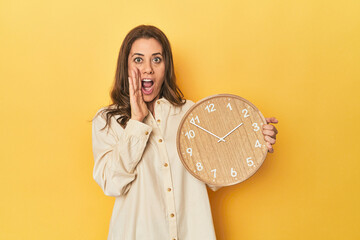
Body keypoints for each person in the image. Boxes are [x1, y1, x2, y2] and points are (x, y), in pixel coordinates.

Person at [91, 25, 278, 240]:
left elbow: (214, 173)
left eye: (157, 59)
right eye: (138, 59)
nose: (148, 69)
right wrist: (136, 122)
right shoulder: (107, 120)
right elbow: (112, 183)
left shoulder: (190, 113)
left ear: (166, 66)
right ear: (125, 65)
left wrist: (255, 139)